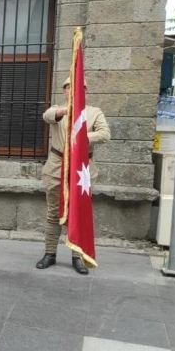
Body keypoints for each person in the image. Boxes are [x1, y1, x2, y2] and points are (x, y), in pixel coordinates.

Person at [37, 76, 110, 275]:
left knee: (79, 213)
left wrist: (82, 136)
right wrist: (64, 111)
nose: (74, 90)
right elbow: (47, 115)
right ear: (64, 91)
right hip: (56, 168)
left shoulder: (94, 112)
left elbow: (105, 134)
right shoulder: (58, 110)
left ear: (85, 91)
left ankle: (77, 257)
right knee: (54, 213)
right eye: (69, 87)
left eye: (79, 88)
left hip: (82, 170)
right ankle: (49, 253)